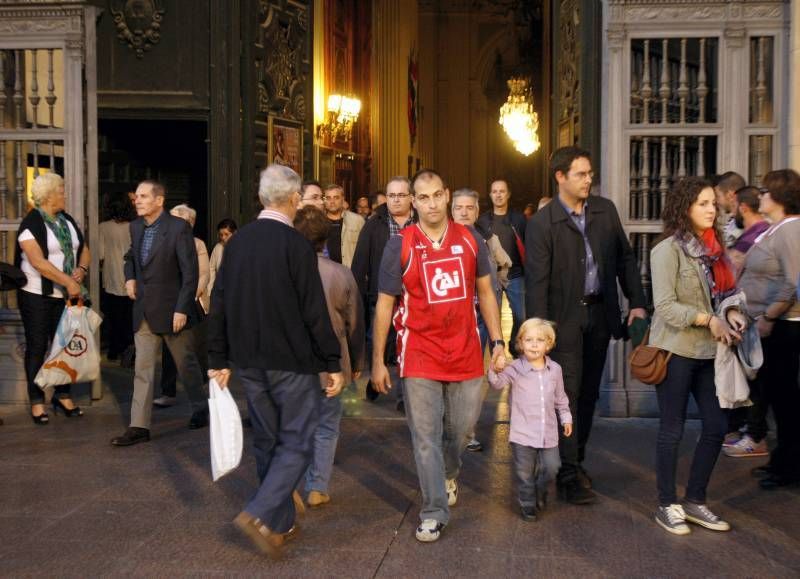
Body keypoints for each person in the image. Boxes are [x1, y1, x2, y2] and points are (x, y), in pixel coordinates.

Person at [208, 164, 344, 559]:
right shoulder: (296, 244)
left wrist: (218, 357)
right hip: (291, 361)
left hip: (250, 360)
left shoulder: (237, 243)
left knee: (268, 439)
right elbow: (313, 310)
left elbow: (219, 303)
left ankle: (279, 523)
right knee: (299, 440)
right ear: (293, 198)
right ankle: (259, 511)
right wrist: (330, 361)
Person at [371, 169, 506, 543]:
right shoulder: (400, 244)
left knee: (461, 431)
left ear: (446, 195)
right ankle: (433, 510)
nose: (431, 203)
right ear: (414, 202)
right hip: (419, 352)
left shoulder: (470, 240)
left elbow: (487, 293)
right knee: (425, 435)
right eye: (422, 197)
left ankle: (449, 470)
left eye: (436, 195)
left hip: (464, 350)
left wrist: (497, 342)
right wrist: (378, 360)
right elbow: (385, 304)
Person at [525, 146, 647, 505]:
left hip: (599, 318)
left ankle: (573, 460)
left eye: (590, 172)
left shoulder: (604, 211)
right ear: (560, 177)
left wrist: (637, 302)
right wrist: (539, 333)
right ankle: (567, 473)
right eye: (581, 174)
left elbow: (625, 258)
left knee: (589, 394)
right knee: (569, 396)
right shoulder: (542, 224)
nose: (588, 179)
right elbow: (537, 284)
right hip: (563, 323)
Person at [649, 176, 747, 535]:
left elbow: (728, 292)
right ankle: (665, 503)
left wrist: (733, 312)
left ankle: (694, 500)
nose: (711, 210)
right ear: (684, 208)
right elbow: (665, 307)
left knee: (717, 426)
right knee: (671, 429)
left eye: (713, 204)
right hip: (676, 350)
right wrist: (709, 319)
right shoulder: (667, 250)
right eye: (703, 203)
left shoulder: (715, 247)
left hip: (710, 352)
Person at [110, 180, 208, 446]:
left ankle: (201, 407)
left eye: (143, 196)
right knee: (143, 369)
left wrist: (181, 308)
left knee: (185, 365)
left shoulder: (178, 228)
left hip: (172, 311)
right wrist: (130, 278)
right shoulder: (135, 226)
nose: (137, 200)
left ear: (159, 200)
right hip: (143, 309)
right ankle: (139, 426)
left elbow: (190, 273)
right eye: (136, 197)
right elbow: (131, 257)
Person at [293, 206, 365, 507]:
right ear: (325, 239)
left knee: (294, 426)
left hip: (293, 362)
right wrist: (357, 362)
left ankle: (288, 484)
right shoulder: (341, 274)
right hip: (332, 362)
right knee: (326, 425)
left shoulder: (287, 272)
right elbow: (355, 323)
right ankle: (317, 486)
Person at [735, 170, 800, 488]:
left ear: (777, 196)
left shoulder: (791, 230)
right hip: (771, 327)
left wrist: (769, 317)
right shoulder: (776, 229)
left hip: (784, 329)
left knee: (785, 401)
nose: (759, 195)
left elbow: (793, 281)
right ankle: (781, 463)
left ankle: (788, 469)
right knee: (777, 397)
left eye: (764, 190)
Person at [15, 173, 90, 424]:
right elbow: (39, 263)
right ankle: (37, 401)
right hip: (37, 295)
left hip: (66, 296)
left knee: (65, 346)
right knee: (37, 347)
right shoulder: (30, 224)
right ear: (49, 195)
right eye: (61, 191)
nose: (65, 195)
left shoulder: (66, 219)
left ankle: (63, 395)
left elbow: (84, 248)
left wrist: (82, 269)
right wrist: (69, 281)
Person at [488, 318, 572, 521]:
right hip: (522, 433)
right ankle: (527, 503)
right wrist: (494, 368)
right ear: (520, 343)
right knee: (524, 473)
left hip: (548, 432)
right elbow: (498, 384)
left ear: (548, 344)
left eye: (540, 340)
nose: (534, 344)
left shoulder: (556, 370)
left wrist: (566, 418)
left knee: (552, 467)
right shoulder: (515, 368)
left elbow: (561, 398)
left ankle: (540, 490)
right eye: (529, 340)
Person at [451, 187, 510, 452]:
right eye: (459, 207)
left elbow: (498, 272)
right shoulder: (443, 239)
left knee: (474, 377)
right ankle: (452, 427)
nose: (464, 212)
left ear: (477, 211)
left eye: (469, 208)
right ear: (451, 210)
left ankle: (467, 430)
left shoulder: (483, 239)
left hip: (480, 319)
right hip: (453, 321)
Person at [351, 176, 416, 409]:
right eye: (391, 196)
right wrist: (357, 293)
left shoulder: (420, 222)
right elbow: (360, 262)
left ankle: (403, 396)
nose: (396, 200)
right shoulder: (374, 223)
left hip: (413, 296)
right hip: (381, 294)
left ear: (411, 197)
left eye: (401, 195)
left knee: (406, 345)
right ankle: (375, 377)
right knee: (378, 339)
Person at [152, 204, 211, 409]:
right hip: (169, 302)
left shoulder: (197, 244)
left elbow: (203, 274)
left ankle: (203, 387)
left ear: (189, 223)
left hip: (192, 302)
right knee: (170, 349)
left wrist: (191, 295)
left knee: (196, 347)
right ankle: (168, 391)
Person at [476, 179, 527, 355]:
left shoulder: (519, 219)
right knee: (491, 318)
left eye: (502, 191)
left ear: (508, 194)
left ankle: (515, 344)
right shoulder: (482, 221)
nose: (498, 195)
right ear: (490, 195)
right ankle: (496, 355)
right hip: (492, 276)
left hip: (516, 274)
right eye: (494, 191)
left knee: (522, 316)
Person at [99, 191, 135, 362]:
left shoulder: (103, 227)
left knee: (113, 316)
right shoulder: (134, 227)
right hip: (131, 278)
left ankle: (114, 348)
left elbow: (100, 254)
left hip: (111, 277)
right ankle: (128, 348)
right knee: (129, 316)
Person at [724, 186, 769, 276]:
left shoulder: (749, 239)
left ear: (743, 208)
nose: (732, 213)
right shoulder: (767, 228)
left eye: (734, 206)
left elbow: (729, 272)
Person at [323, 184, 364, 267]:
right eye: (328, 198)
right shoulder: (318, 221)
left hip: (349, 273)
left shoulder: (357, 220)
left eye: (336, 197)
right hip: (325, 273)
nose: (332, 201)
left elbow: (365, 250)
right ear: (324, 200)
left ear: (343, 199)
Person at [713, 171, 746, 248]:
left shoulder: (744, 221)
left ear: (730, 195)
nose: (716, 201)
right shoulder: (734, 219)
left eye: (718, 196)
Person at [207, 218, 237, 301]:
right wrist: (209, 292)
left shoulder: (241, 247)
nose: (223, 237)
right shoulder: (218, 248)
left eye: (226, 234)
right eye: (221, 234)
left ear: (234, 233)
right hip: (220, 292)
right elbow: (211, 269)